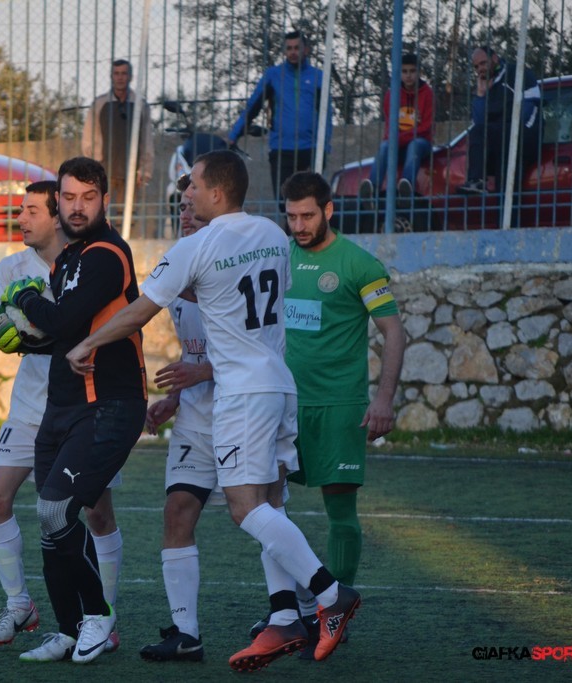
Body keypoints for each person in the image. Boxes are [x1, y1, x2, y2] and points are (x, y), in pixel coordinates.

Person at [66, 150, 360, 671]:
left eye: (194, 186)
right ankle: (284, 616)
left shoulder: (198, 246)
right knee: (268, 503)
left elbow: (139, 311)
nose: (187, 194)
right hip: (277, 385)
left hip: (241, 393)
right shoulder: (273, 235)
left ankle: (330, 595)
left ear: (217, 193)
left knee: (246, 508)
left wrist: (88, 343)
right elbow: (244, 294)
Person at [0, 180, 124, 652]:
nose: (20, 219)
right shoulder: (11, 267)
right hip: (30, 408)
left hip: (84, 405)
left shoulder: (89, 263)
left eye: (31, 211)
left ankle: (104, 617)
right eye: (20, 210)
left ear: (55, 216)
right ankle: (19, 605)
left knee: (97, 512)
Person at [0, 158, 147, 665]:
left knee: (57, 511)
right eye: (68, 197)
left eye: (88, 197)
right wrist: (19, 336)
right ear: (58, 200)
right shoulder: (67, 258)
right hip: (61, 405)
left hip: (108, 405)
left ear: (105, 199)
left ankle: (99, 615)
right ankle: (66, 630)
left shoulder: (107, 254)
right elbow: (63, 336)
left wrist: (24, 298)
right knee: (50, 522)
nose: (77, 207)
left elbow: (64, 320)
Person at [280, 171, 404, 653]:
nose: (299, 226)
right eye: (291, 216)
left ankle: (336, 611)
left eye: (307, 215)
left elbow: (393, 332)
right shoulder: (280, 256)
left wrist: (383, 400)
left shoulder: (358, 264)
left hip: (338, 405)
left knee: (340, 508)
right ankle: (286, 611)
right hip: (283, 403)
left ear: (328, 210)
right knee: (267, 504)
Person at [138, 177, 214, 663]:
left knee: (261, 514)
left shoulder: (237, 266)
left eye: (193, 205)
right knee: (177, 510)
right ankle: (187, 634)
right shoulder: (178, 269)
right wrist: (176, 397)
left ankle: (307, 608)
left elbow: (264, 351)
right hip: (196, 419)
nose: (184, 215)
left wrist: (200, 372)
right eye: (180, 207)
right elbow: (195, 350)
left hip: (246, 413)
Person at [229, 31, 332, 211]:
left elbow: (326, 114)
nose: (293, 52)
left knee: (309, 201)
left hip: (311, 148)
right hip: (282, 149)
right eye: (289, 48)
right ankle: (291, 229)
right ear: (284, 51)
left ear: (306, 50)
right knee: (284, 201)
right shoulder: (273, 75)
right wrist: (234, 135)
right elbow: (253, 106)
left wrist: (325, 147)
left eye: (297, 48)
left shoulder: (318, 77)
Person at [457, 46, 542, 195]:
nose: (480, 69)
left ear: (495, 58)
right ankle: (477, 181)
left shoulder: (518, 74)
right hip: (502, 142)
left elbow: (529, 110)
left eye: (483, 63)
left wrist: (504, 128)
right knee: (503, 188)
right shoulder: (487, 84)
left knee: (492, 140)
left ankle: (481, 182)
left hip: (524, 135)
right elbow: (478, 123)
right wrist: (481, 94)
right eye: (476, 67)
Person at [359, 52, 434, 207]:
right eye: (404, 71)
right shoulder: (392, 94)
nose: (408, 76)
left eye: (412, 71)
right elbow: (390, 125)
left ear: (419, 72)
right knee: (385, 146)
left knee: (414, 145)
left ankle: (406, 188)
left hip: (420, 142)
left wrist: (399, 139)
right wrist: (395, 140)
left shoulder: (427, 94)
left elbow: (425, 127)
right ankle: (372, 190)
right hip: (398, 143)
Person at [82, 59, 155, 217]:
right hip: (103, 169)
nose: (120, 77)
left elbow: (146, 140)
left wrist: (145, 169)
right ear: (111, 76)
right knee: (99, 214)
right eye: (116, 73)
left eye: (124, 73)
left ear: (130, 77)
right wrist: (92, 167)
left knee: (128, 217)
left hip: (132, 171)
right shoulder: (99, 104)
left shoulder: (140, 105)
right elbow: (88, 137)